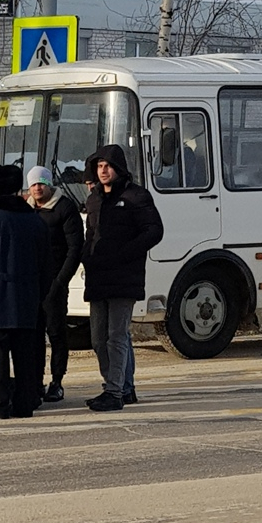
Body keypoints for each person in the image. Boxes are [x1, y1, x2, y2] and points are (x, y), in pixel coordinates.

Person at [82, 145, 163, 412]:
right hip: (98, 277)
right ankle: (119, 386)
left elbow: (154, 231)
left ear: (118, 168)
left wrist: (126, 253)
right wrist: (87, 258)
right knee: (97, 339)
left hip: (124, 277)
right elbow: (90, 233)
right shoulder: (94, 199)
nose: (103, 170)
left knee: (117, 336)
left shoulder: (136, 196)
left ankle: (114, 392)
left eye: (108, 166)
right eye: (99, 166)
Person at [0, 163, 51, 419]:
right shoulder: (35, 220)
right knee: (26, 353)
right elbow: (47, 263)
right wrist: (40, 293)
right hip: (28, 296)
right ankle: (26, 403)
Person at [25, 165, 83, 403]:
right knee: (33, 335)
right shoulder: (26, 210)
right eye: (34, 184)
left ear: (49, 185)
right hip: (30, 284)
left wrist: (61, 281)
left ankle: (57, 381)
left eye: (42, 183)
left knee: (57, 333)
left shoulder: (65, 208)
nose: (38, 188)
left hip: (55, 282)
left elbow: (75, 248)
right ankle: (35, 381)